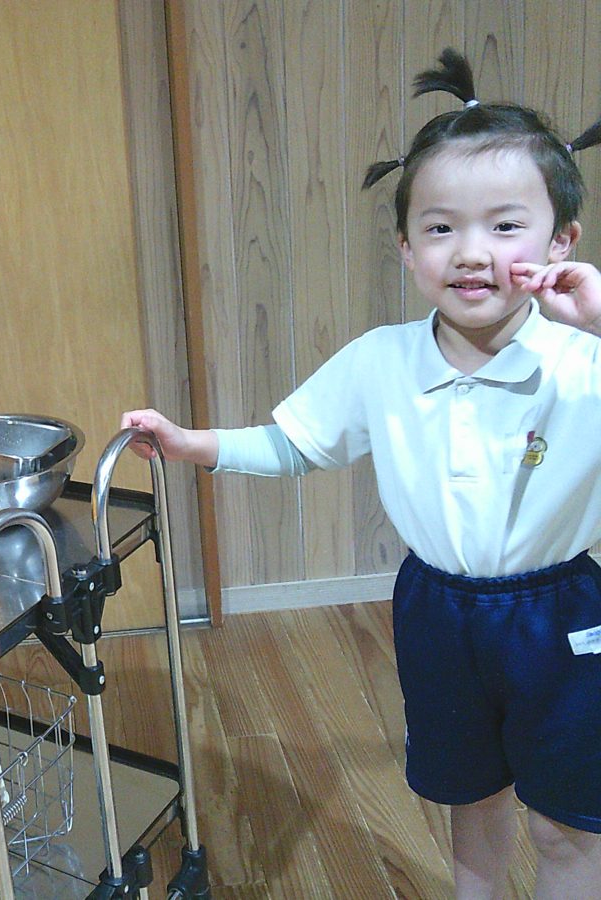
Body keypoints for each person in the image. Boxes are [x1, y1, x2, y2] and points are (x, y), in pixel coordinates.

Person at [123, 49, 601, 898]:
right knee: (469, 800)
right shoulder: (381, 360)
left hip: (561, 615)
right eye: (441, 228)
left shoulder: (584, 362)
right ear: (406, 248)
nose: (470, 252)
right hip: (436, 611)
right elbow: (294, 443)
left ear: (561, 241)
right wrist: (193, 444)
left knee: (566, 823)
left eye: (505, 226)